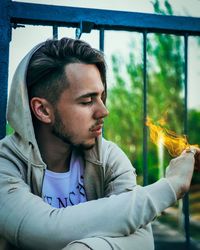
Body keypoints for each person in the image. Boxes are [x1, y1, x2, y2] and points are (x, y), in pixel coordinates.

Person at [0, 37, 198, 250]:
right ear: (43, 110)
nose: (104, 111)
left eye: (102, 97)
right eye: (87, 101)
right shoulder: (6, 164)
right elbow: (41, 231)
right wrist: (171, 186)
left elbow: (142, 239)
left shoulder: (109, 157)